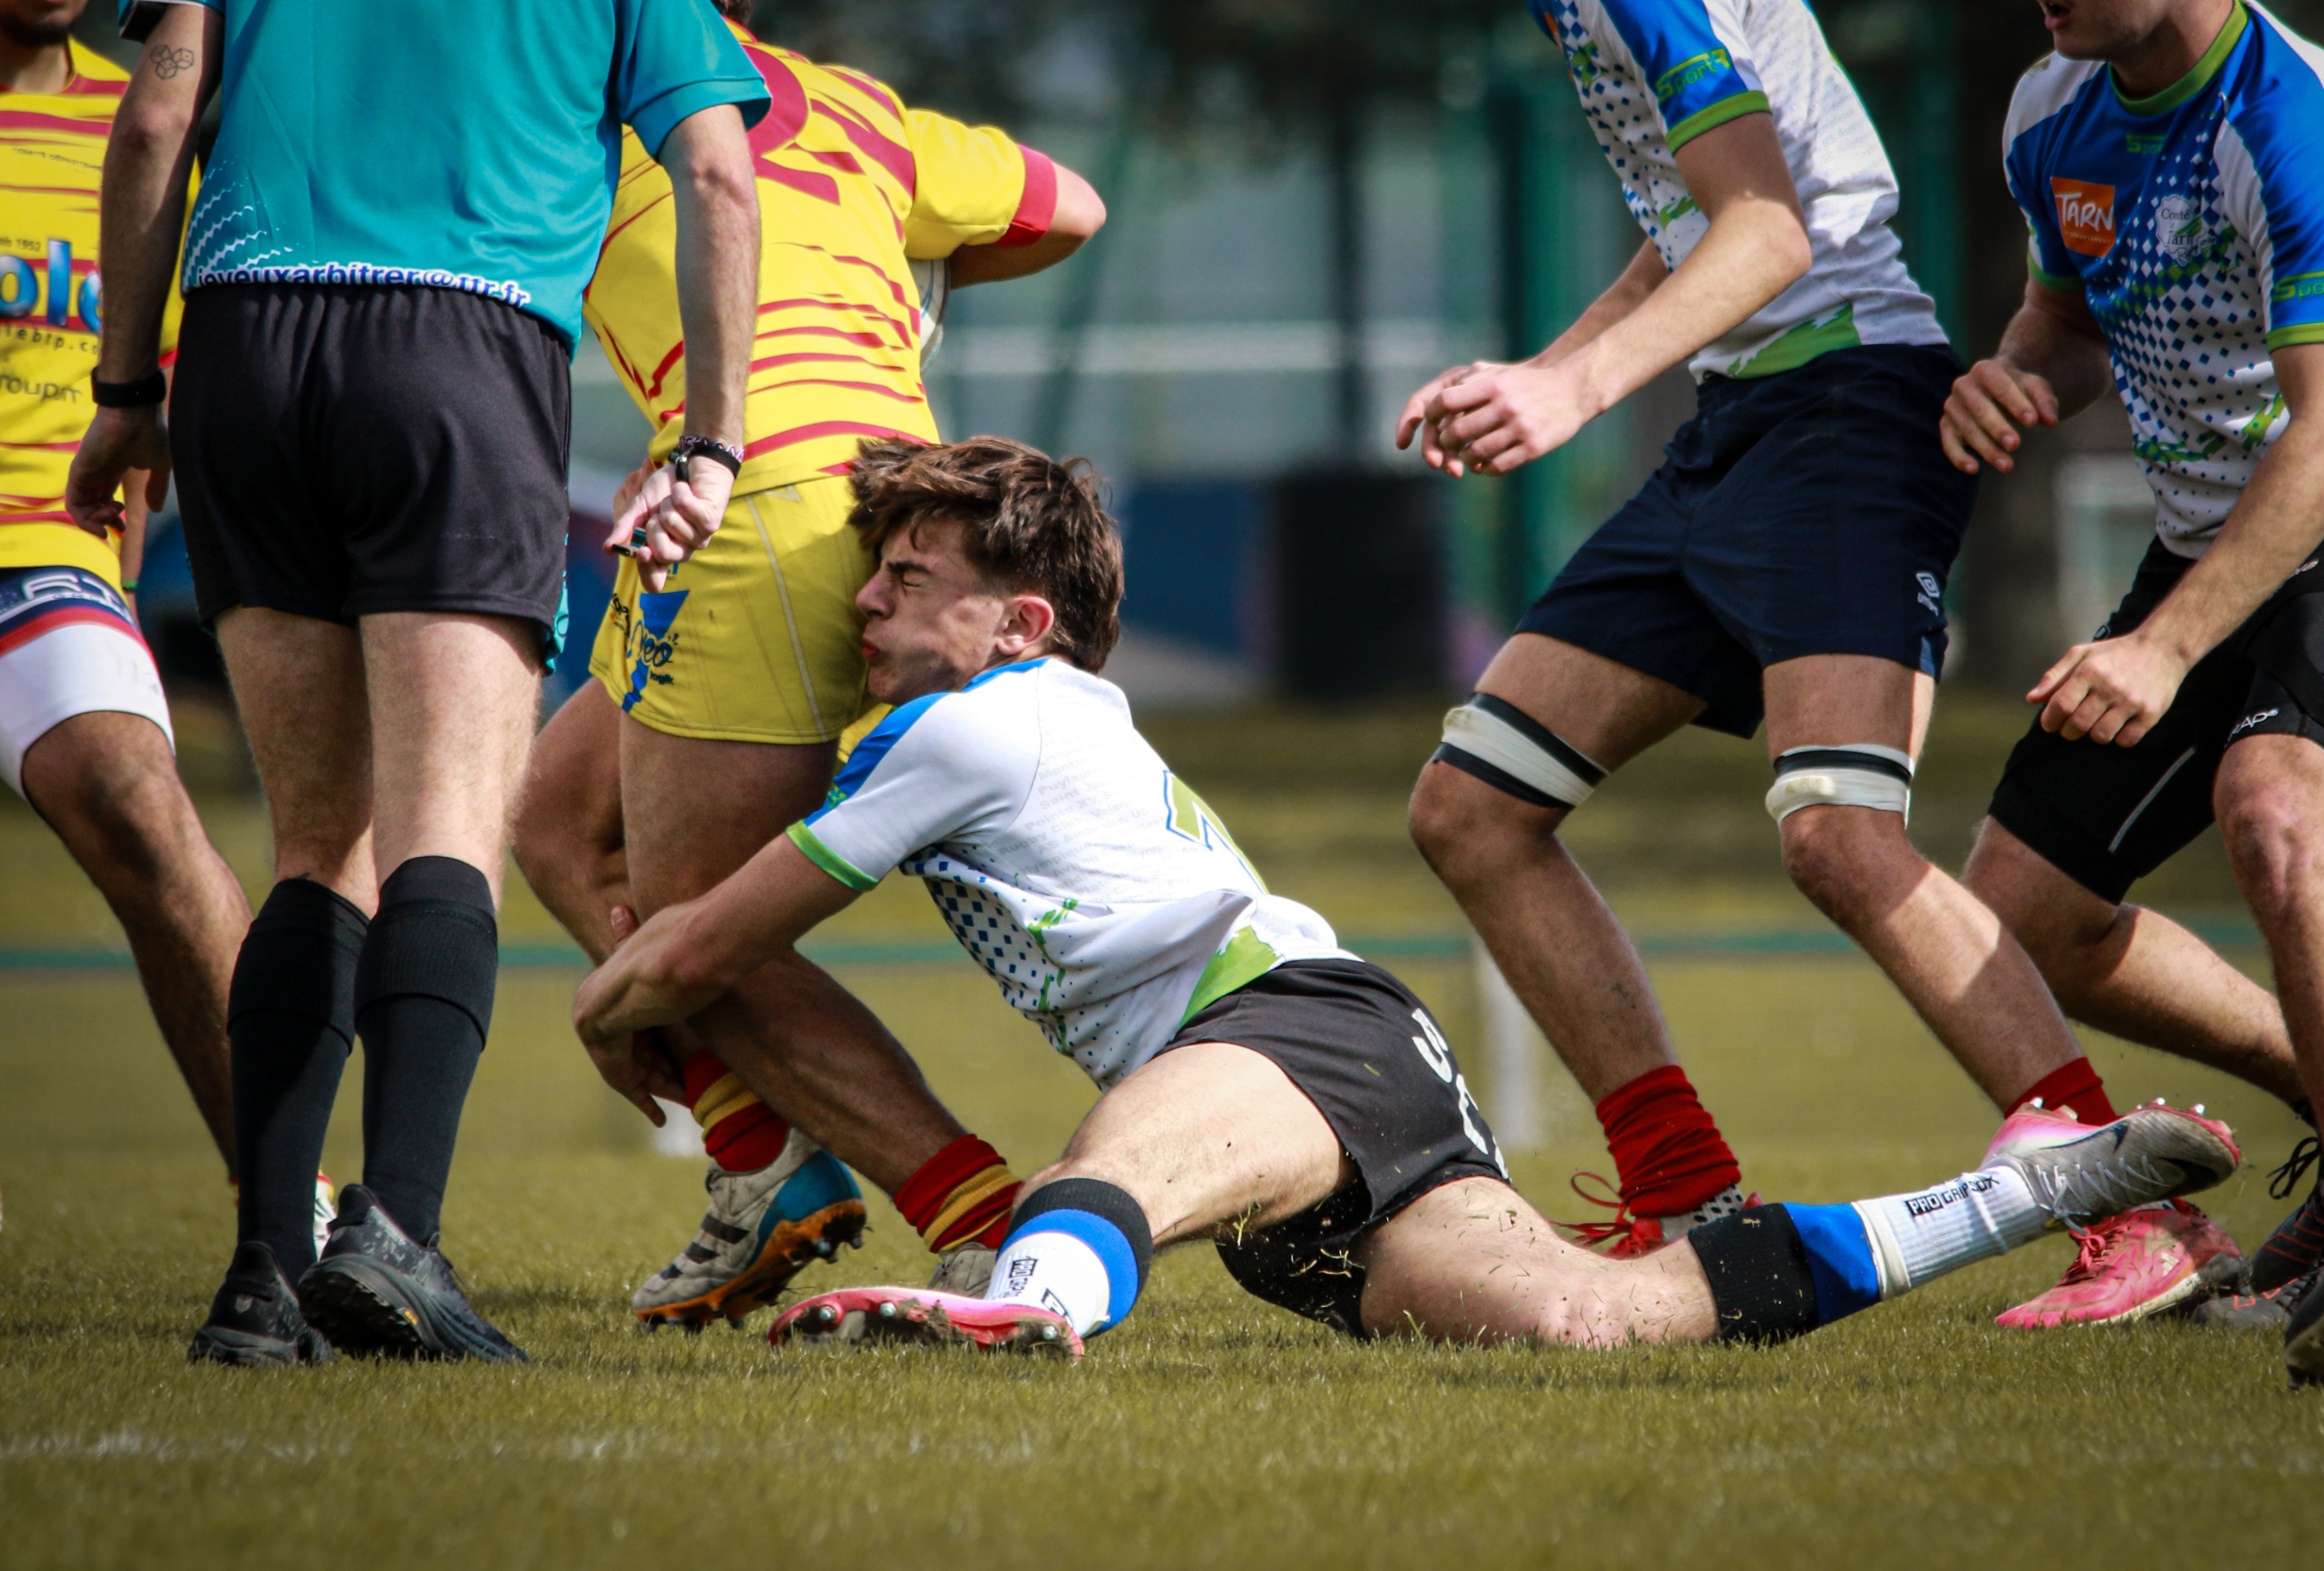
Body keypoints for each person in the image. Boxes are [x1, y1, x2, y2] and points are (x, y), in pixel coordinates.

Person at [567, 435, 2240, 1361]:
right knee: (1597, 1321)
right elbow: (717, 951)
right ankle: (2029, 1193)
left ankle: (1026, 1314)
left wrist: (606, 998)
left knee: (1099, 1177)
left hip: (1286, 1035)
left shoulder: (971, 723)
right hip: (1358, 1070)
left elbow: (711, 934)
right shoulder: (1030, 711)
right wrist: (667, 985)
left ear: (1020, 624)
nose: (865, 605)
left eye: (906, 578)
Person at [1393, 0, 2252, 1328]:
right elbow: (1693, 218)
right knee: (1472, 808)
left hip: (1847, 411)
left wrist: (1574, 392)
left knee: (1841, 835)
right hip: (1736, 426)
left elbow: (1769, 230)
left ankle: (2136, 1215)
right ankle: (1687, 1203)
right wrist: (1545, 365)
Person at [69, 0, 771, 1366]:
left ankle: (263, 1279)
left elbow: (153, 123)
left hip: (241, 355)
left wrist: (125, 386)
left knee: (316, 849)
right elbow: (718, 172)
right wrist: (713, 442)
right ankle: (397, 1235)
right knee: (443, 827)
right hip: (462, 346)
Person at [511, 0, 1108, 1328]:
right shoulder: (850, 102)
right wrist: (898, 279)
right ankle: (761, 1156)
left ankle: (980, 1223)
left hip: (749, 499)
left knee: (699, 938)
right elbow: (1072, 208)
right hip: (878, 490)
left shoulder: (565, 99)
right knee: (554, 818)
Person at [1937, 0, 2324, 1374]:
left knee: (2272, 814)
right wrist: (2013, 377)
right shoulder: (2050, 110)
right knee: (2013, 918)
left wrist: (2162, 648)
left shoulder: (2291, 121)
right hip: (2206, 546)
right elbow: (2064, 318)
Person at [0, 0, 258, 1194]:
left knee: (143, 805)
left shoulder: (143, 124)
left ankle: (287, 1208)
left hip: (42, 550)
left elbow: (159, 386)